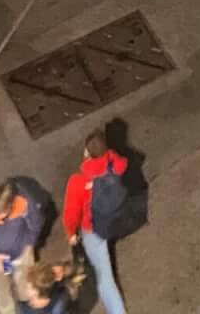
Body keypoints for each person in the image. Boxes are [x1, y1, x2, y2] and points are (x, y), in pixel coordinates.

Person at [61, 132, 132, 314]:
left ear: (86, 152)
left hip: (93, 230)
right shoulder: (116, 164)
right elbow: (121, 163)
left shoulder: (78, 181)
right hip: (113, 220)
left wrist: (70, 233)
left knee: (104, 279)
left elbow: (71, 213)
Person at [0, 177, 50, 314]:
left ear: (12, 205)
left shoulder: (25, 205)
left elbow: (36, 226)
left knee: (24, 291)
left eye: (3, 215)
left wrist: (29, 244)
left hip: (19, 256)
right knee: (3, 293)